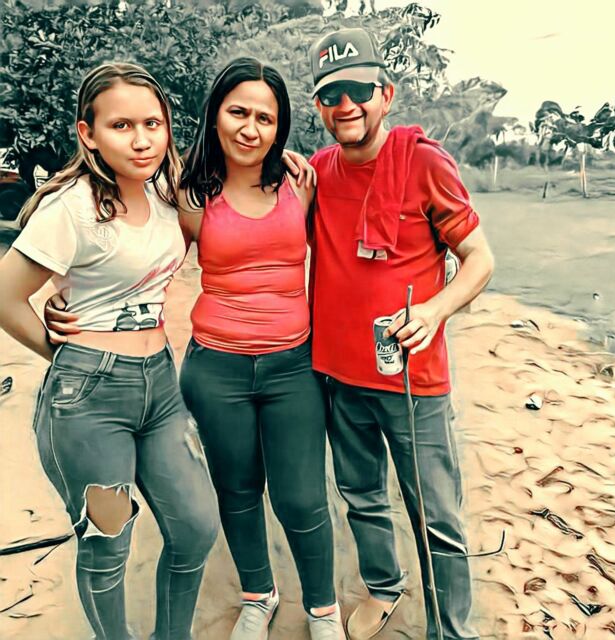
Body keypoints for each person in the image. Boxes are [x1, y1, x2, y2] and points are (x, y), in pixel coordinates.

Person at [0, 62, 220, 640]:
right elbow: (5, 296)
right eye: (121, 126)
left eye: (153, 124)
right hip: (90, 400)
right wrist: (61, 351)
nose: (141, 139)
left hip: (161, 388)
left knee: (195, 527)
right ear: (88, 134)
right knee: (107, 542)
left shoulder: (166, 196)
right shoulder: (71, 208)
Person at [306, 29, 495, 640]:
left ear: (385, 94)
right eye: (331, 95)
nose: (346, 106)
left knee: (435, 517)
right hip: (338, 376)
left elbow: (479, 259)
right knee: (361, 497)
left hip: (413, 380)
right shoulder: (317, 173)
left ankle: (451, 629)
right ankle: (384, 586)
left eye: (359, 91)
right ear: (318, 106)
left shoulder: (424, 163)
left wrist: (435, 310)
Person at [177, 57, 344, 640]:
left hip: (292, 368)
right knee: (238, 491)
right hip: (215, 369)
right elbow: (143, 261)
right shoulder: (189, 196)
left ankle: (323, 609)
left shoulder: (300, 184)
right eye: (238, 112)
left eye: (265, 118)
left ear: (280, 127)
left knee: (301, 498)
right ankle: (259, 596)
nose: (250, 129)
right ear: (215, 115)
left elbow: (340, 253)